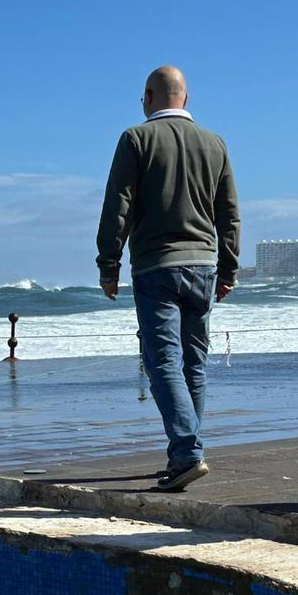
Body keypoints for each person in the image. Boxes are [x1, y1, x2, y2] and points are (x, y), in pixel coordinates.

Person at [96, 66, 240, 491]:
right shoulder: (215, 143)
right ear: (187, 99)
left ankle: (187, 451)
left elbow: (117, 205)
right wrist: (229, 268)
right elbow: (229, 213)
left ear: (147, 96)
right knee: (194, 364)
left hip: (157, 266)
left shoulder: (136, 139)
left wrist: (109, 264)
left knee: (162, 362)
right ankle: (184, 453)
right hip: (204, 265)